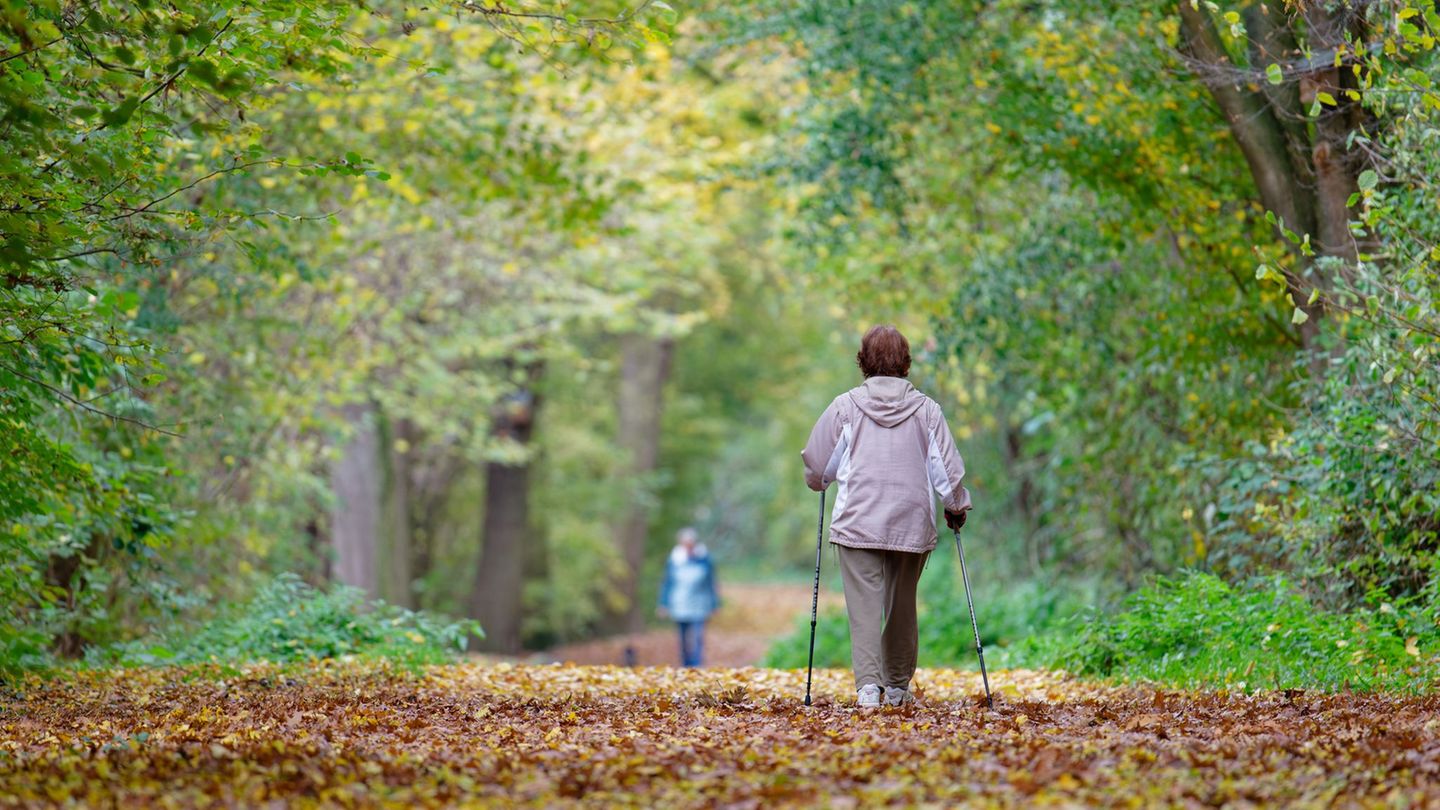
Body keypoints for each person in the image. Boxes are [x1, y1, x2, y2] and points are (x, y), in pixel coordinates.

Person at [801, 325, 972, 708]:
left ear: (863, 360)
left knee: (864, 607)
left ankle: (867, 689)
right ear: (906, 363)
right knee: (901, 604)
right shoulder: (927, 410)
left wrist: (818, 481)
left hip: (857, 521)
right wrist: (955, 505)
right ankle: (896, 686)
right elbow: (946, 470)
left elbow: (818, 465)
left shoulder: (844, 406)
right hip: (911, 521)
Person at [657, 527, 719, 667]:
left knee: (698, 636)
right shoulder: (674, 559)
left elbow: (711, 582)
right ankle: (685, 664)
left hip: (700, 604)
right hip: (679, 604)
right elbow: (667, 582)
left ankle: (697, 664)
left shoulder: (705, 559)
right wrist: (663, 603)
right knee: (683, 637)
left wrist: (714, 604)